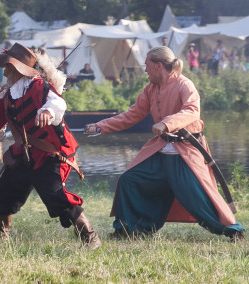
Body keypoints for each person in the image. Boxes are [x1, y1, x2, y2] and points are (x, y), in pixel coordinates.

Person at [85, 46, 244, 240]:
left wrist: (166, 124)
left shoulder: (184, 84)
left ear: (158, 66)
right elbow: (132, 114)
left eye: (147, 66)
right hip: (160, 151)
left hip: (185, 151)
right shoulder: (150, 89)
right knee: (130, 179)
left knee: (198, 196)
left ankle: (233, 231)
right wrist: (101, 126)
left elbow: (192, 110)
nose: (145, 70)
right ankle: (129, 229)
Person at [0, 43, 101, 247]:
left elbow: (58, 103)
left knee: (55, 195)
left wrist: (48, 111)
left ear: (18, 69)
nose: (4, 71)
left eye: (8, 67)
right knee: (2, 194)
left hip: (49, 154)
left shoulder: (39, 86)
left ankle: (90, 237)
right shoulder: (7, 94)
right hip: (24, 154)